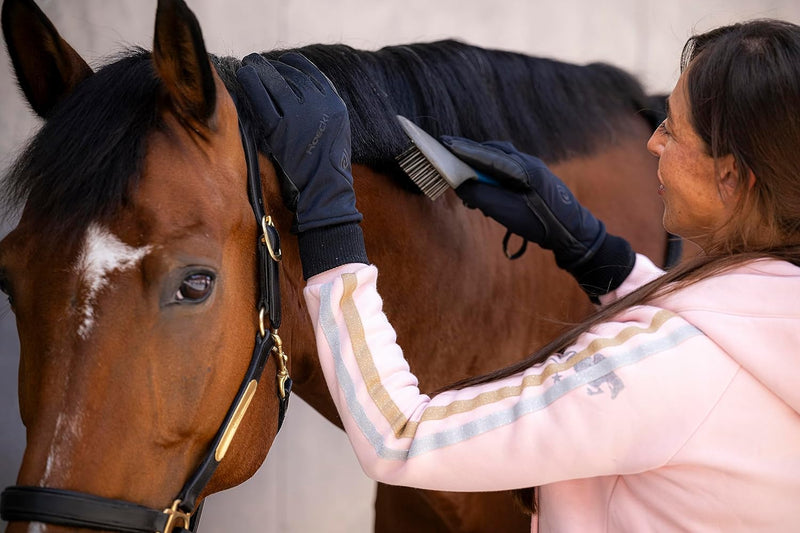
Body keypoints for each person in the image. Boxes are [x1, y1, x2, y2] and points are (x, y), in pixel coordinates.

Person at [236, 19, 800, 532]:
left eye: (673, 132)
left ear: (731, 176)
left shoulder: (667, 368)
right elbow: (718, 343)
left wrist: (332, 224)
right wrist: (593, 251)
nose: (652, 142)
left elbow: (402, 438)